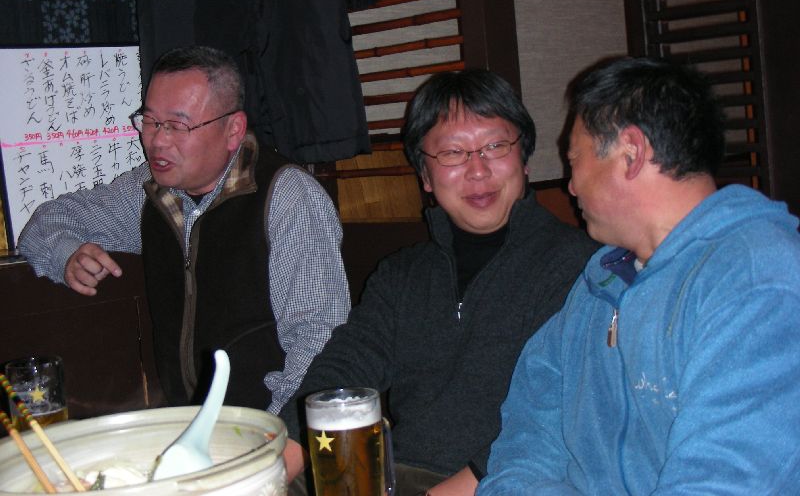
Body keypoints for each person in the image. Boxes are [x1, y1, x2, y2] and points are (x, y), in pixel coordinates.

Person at [478, 57, 800, 495]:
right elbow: (527, 433)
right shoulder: (601, 282)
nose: (570, 186)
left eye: (574, 160)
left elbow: (724, 481)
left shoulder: (759, 281)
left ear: (630, 152)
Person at [279, 68, 599, 495]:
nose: (478, 170)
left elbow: (559, 419)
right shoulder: (401, 275)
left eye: (495, 146)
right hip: (395, 472)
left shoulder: (580, 268)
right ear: (425, 177)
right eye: (452, 153)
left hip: (507, 482)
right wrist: (271, 470)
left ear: (524, 158)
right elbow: (345, 369)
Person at [17, 45, 350, 413]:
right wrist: (68, 255)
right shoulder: (150, 192)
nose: (157, 140)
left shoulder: (287, 197)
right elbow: (46, 222)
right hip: (186, 420)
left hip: (267, 425)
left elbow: (318, 340)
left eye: (177, 125)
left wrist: (272, 430)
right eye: (149, 121)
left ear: (233, 130)